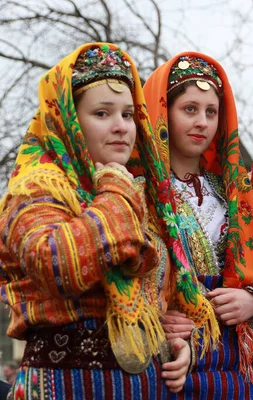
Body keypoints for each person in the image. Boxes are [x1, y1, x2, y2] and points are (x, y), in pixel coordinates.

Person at [0, 43, 191, 398]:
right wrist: (116, 195)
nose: (121, 127)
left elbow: (156, 295)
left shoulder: (137, 193)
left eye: (128, 114)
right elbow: (56, 264)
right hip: (66, 386)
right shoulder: (34, 187)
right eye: (102, 114)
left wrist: (172, 341)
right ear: (68, 119)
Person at [143, 52, 253, 399]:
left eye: (211, 112)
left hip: (237, 369)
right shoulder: (137, 194)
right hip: (172, 363)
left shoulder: (237, 193)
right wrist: (154, 318)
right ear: (162, 111)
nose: (202, 122)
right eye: (189, 109)